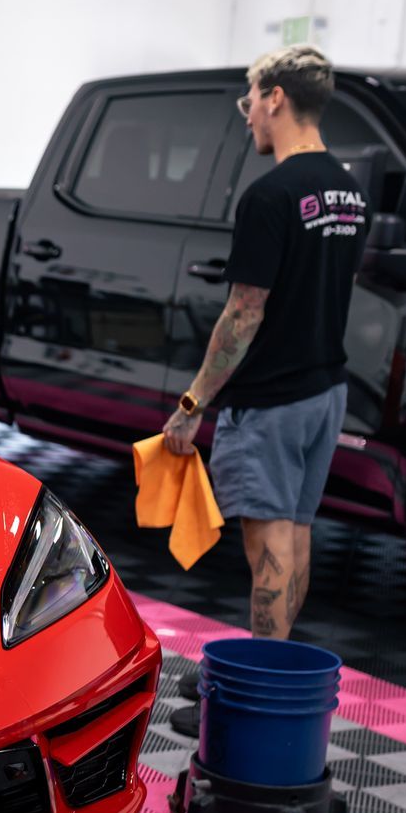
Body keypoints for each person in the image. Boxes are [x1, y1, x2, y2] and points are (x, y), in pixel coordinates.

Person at [163, 45, 365, 735]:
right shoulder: (345, 189)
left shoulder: (271, 195)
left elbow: (244, 312)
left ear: (276, 97)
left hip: (273, 401)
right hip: (323, 393)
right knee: (296, 536)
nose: (247, 112)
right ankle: (258, 671)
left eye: (251, 98)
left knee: (269, 551)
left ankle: (250, 707)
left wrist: (192, 403)